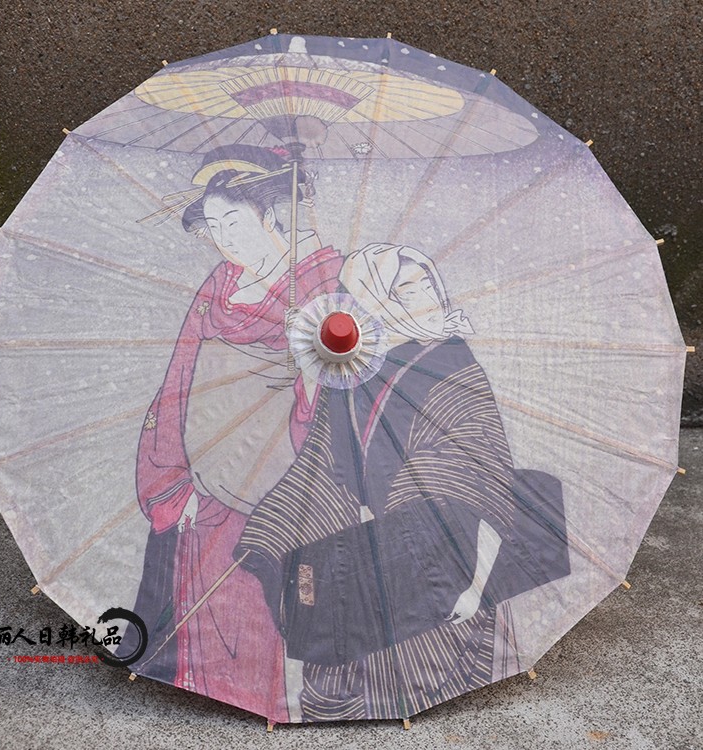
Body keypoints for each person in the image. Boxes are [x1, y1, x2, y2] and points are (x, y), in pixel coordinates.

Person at [235, 243, 568, 721]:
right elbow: (323, 466)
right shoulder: (351, 370)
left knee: (422, 650)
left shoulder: (450, 362)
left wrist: (469, 575)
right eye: (407, 290)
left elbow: (475, 469)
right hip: (363, 550)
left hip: (442, 546)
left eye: (428, 284)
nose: (427, 296)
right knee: (335, 633)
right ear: (371, 301)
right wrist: (277, 533)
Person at [125, 145, 343, 723]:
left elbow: (345, 390)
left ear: (272, 214)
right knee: (199, 588)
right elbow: (179, 379)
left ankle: (267, 696)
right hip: (204, 471)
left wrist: (313, 355)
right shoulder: (220, 284)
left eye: (235, 221)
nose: (224, 239)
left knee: (257, 592)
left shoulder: (323, 279)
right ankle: (203, 685)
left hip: (279, 475)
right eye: (214, 226)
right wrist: (172, 471)